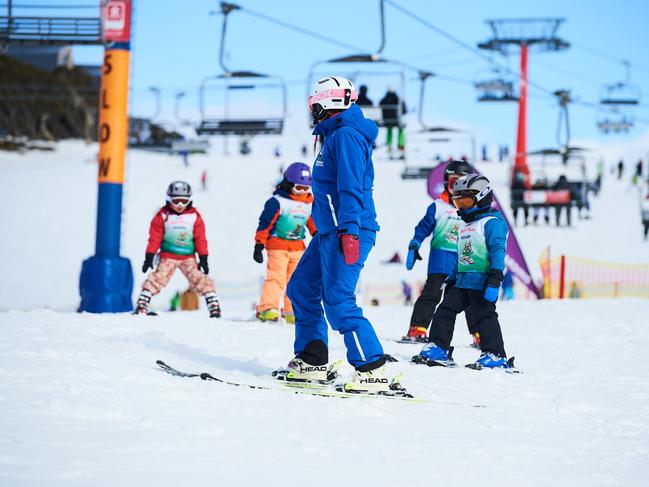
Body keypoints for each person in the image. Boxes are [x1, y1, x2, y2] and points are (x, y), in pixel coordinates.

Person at [276, 75, 407, 396]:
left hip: (350, 229)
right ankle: (313, 359)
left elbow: (350, 187)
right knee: (302, 288)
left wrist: (349, 230)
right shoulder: (332, 135)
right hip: (328, 231)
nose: (313, 111)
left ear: (329, 102)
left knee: (338, 300)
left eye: (315, 104)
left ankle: (372, 368)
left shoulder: (346, 136)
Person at [413, 174, 514, 370]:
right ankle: (438, 347)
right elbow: (460, 255)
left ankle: (495, 355)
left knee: (484, 316)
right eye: (459, 203)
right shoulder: (466, 225)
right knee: (444, 310)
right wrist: (451, 278)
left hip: (482, 281)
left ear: (482, 198)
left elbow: (498, 252)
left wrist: (495, 279)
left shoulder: (492, 223)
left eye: (467, 202)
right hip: (461, 281)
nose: (463, 208)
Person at [402, 160, 476, 343]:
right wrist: (415, 243)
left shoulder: (472, 210)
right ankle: (417, 329)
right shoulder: (438, 206)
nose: (458, 189)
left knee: (469, 297)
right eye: (453, 184)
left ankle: (479, 334)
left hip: (464, 261)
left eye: (463, 184)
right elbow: (423, 227)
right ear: (446, 184)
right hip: (441, 260)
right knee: (432, 293)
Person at [134, 181, 221, 318]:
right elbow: (154, 237)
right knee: (158, 278)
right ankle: (142, 305)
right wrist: (149, 255)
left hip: (188, 257)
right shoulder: (163, 216)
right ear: (169, 200)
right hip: (168, 256)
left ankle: (214, 307)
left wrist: (203, 258)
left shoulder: (194, 217)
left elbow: (200, 239)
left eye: (183, 201)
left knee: (199, 279)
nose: (180, 205)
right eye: (176, 201)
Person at [254, 162, 317, 323]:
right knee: (276, 277)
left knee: (296, 279)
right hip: (277, 246)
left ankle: (292, 311)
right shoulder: (278, 202)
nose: (302, 191)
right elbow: (265, 223)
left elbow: (313, 224)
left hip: (298, 248)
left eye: (306, 188)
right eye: (298, 188)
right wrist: (259, 245)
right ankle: (268, 308)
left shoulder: (308, 203)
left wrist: (319, 238)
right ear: (288, 184)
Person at [379, 86, 406, 159]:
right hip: (396, 120)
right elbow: (404, 110)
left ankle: (389, 147)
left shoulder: (384, 99)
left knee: (389, 130)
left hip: (387, 121)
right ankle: (401, 146)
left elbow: (380, 107)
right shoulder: (398, 99)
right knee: (401, 130)